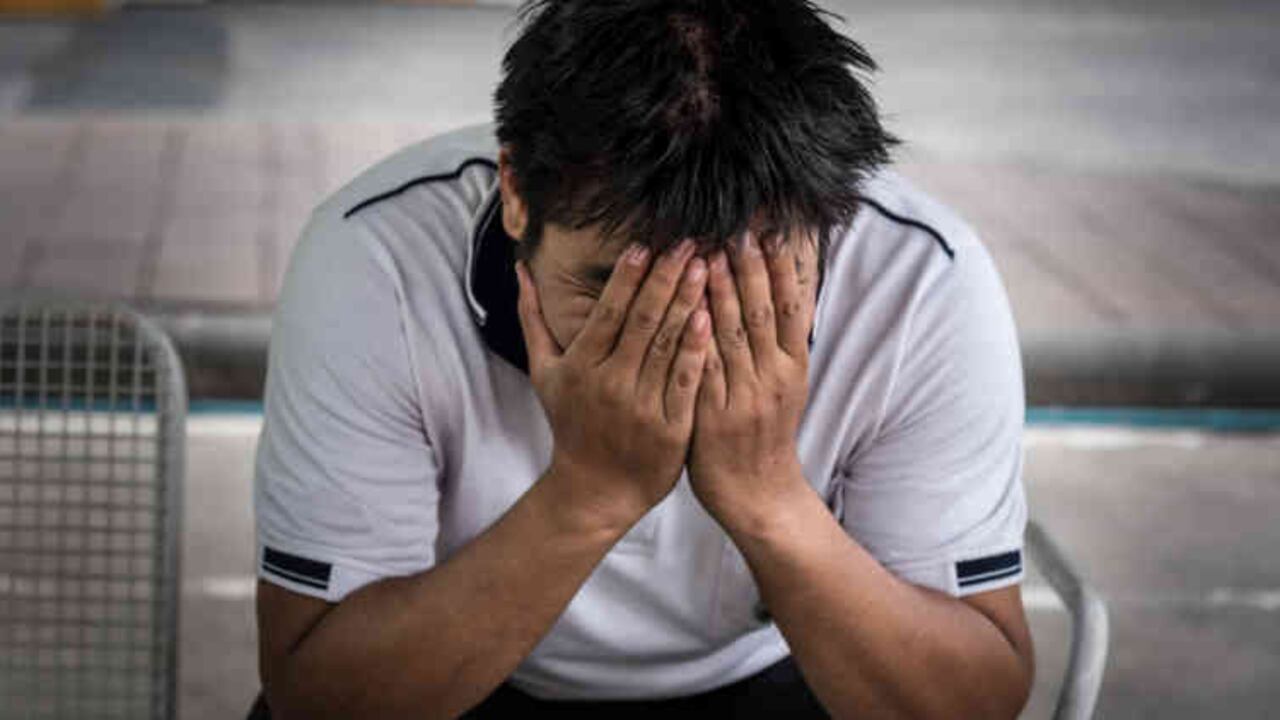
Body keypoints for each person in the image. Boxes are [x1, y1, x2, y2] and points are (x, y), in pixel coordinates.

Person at [250, 1, 1035, 718]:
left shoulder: (921, 280)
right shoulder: (375, 259)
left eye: (747, 294)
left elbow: (973, 702)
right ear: (516, 192)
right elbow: (316, 695)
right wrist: (589, 493)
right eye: (614, 291)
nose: (685, 345)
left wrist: (769, 498)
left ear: (827, 223)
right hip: (458, 668)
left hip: (789, 667)